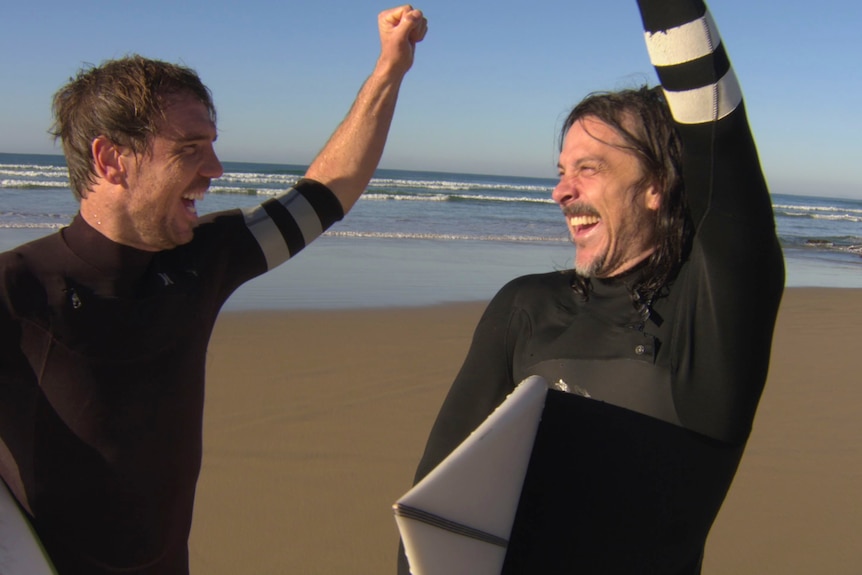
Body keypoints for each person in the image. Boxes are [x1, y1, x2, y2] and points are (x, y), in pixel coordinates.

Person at [0, 5, 426, 574]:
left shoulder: (202, 260)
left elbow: (326, 194)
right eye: (189, 148)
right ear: (111, 159)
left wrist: (389, 69)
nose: (217, 167)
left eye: (212, 144)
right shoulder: (14, 291)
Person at [399, 0, 783, 573]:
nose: (561, 191)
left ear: (657, 184)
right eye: (561, 171)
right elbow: (431, 509)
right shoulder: (525, 306)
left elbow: (717, 135)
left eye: (589, 169)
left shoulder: (710, 323)